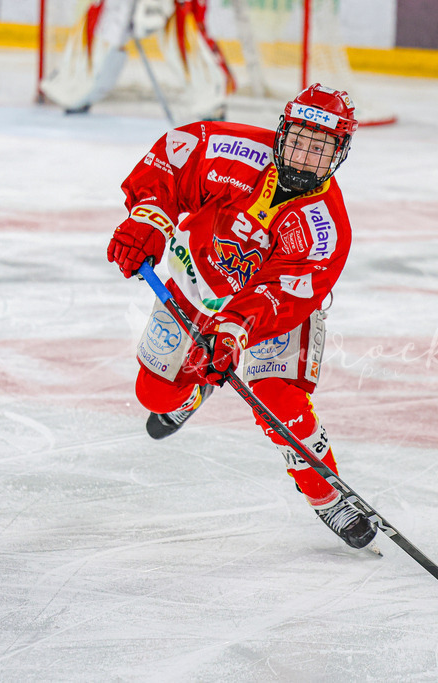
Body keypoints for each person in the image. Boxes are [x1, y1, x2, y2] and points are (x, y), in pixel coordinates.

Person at [107, 84, 376, 550]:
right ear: (282, 130)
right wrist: (147, 220)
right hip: (198, 282)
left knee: (278, 401)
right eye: (298, 139)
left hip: (273, 315)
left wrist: (232, 333)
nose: (304, 154)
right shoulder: (234, 150)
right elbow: (174, 158)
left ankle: (327, 495)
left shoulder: (327, 228)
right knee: (154, 394)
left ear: (340, 153)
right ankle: (196, 389)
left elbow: (285, 297)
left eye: (320, 147)